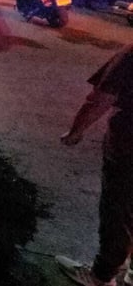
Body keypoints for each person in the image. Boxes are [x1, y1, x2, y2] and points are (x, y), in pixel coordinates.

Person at [55, 44, 133, 286]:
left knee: (118, 211)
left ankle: (101, 276)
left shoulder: (130, 55)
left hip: (128, 148)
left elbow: (101, 98)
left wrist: (76, 131)